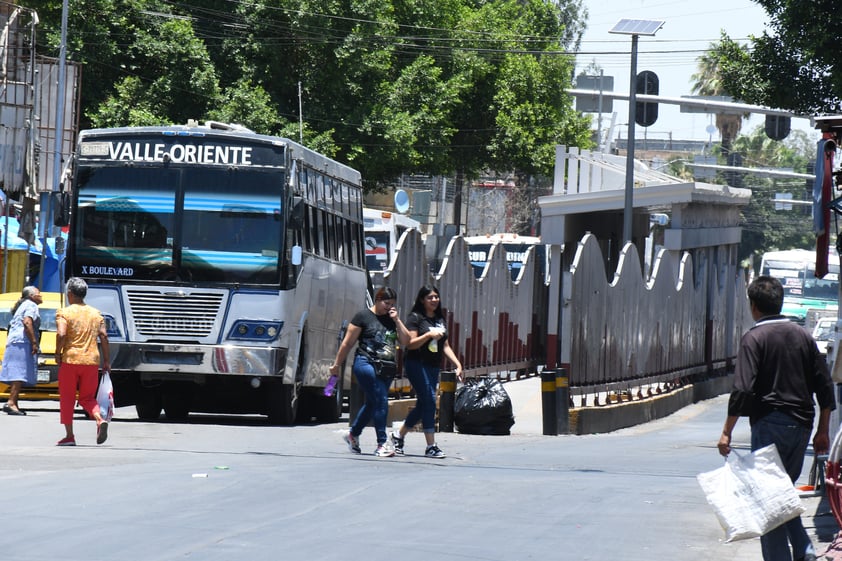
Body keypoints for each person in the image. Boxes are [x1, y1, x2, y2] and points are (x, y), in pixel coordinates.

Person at [717, 275, 835, 561]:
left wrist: (726, 431)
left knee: (768, 502)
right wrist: (822, 431)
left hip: (769, 423)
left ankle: (791, 555)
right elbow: (825, 386)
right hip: (801, 426)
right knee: (780, 495)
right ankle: (805, 553)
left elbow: (742, 389)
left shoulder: (754, 337)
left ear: (754, 305)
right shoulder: (803, 336)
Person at [329, 287, 410, 457]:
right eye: (386, 303)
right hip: (365, 362)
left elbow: (406, 341)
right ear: (377, 300)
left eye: (393, 304)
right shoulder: (363, 317)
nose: (389, 307)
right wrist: (337, 365)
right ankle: (382, 443)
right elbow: (347, 343)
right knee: (380, 398)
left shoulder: (392, 319)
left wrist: (397, 321)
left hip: (386, 367)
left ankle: (353, 434)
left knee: (373, 402)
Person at [391, 285, 463, 458]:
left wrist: (458, 364)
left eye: (436, 297)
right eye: (430, 297)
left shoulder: (439, 319)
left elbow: (444, 345)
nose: (434, 300)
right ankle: (431, 446)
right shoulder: (415, 318)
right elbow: (411, 343)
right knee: (430, 400)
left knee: (424, 404)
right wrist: (429, 336)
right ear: (422, 300)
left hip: (432, 365)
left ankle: (398, 436)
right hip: (416, 363)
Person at [55, 277, 111, 446]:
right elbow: (104, 336)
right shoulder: (96, 314)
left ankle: (69, 436)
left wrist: (57, 353)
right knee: (87, 397)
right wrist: (107, 361)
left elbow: (62, 334)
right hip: (92, 361)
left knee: (67, 398)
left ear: (70, 294)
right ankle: (99, 419)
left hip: (71, 360)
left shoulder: (64, 312)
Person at [1, 286, 43, 415]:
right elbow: (27, 322)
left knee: (17, 372)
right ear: (31, 295)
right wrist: (34, 342)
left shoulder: (24, 305)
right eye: (38, 293)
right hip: (22, 342)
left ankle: (14, 402)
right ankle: (11, 402)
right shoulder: (31, 305)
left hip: (15, 341)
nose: (41, 295)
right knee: (19, 373)